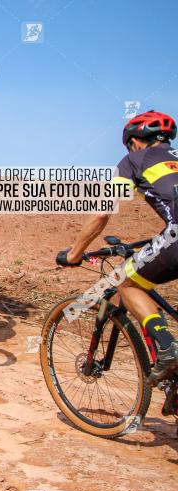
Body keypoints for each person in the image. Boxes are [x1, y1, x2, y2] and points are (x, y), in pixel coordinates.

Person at [58, 110, 178, 394]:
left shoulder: (134, 160)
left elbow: (102, 212)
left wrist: (75, 253)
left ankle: (166, 348)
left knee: (125, 281)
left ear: (136, 140)